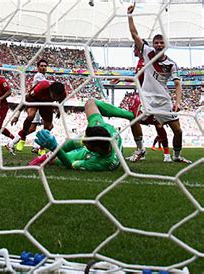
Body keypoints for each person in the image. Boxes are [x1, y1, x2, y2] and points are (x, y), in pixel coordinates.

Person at [127, 3, 191, 163]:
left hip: (163, 101)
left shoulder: (171, 64)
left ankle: (176, 156)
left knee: (178, 131)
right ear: (153, 44)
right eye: (156, 42)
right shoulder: (147, 53)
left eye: (162, 43)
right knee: (133, 120)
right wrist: (130, 16)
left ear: (166, 45)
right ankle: (140, 149)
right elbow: (135, 34)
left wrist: (177, 102)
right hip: (147, 100)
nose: (159, 45)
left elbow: (177, 84)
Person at [31, 99, 133, 171]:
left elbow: (71, 164)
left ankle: (48, 157)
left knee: (55, 161)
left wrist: (54, 147)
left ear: (94, 149)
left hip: (91, 155)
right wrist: (128, 115)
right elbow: (91, 103)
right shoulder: (103, 127)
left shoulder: (100, 163)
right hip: (100, 145)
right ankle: (130, 115)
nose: (84, 141)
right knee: (76, 140)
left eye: (86, 142)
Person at [6, 79, 66, 155]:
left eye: (57, 97)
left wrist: (60, 110)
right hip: (34, 100)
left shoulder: (63, 94)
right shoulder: (41, 88)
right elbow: (25, 98)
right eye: (54, 96)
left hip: (46, 104)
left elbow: (62, 102)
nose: (55, 98)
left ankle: (41, 148)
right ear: (50, 91)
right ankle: (22, 139)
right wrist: (17, 115)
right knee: (31, 115)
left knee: (49, 126)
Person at [10, 59, 50, 155]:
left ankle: (35, 146)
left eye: (45, 66)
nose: (43, 67)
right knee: (33, 126)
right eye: (41, 66)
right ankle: (14, 143)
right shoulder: (38, 76)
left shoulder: (43, 76)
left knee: (36, 128)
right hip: (36, 102)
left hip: (41, 103)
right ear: (38, 67)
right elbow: (47, 87)